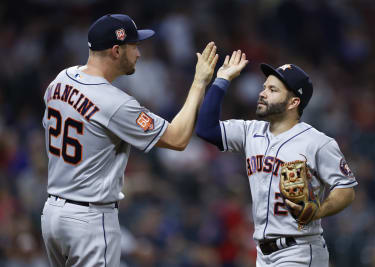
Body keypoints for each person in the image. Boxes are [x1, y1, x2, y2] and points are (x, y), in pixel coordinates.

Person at [41, 14, 218, 266]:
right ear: (116, 51)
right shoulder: (114, 102)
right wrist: (199, 83)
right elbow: (178, 138)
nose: (139, 54)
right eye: (134, 46)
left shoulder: (61, 79)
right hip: (89, 219)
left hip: (52, 214)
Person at [196, 50, 357, 266]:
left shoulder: (318, 143)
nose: (262, 93)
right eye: (264, 87)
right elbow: (206, 129)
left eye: (273, 90)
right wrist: (222, 80)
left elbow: (346, 190)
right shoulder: (250, 131)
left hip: (299, 251)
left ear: (293, 102)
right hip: (263, 254)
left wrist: (319, 210)